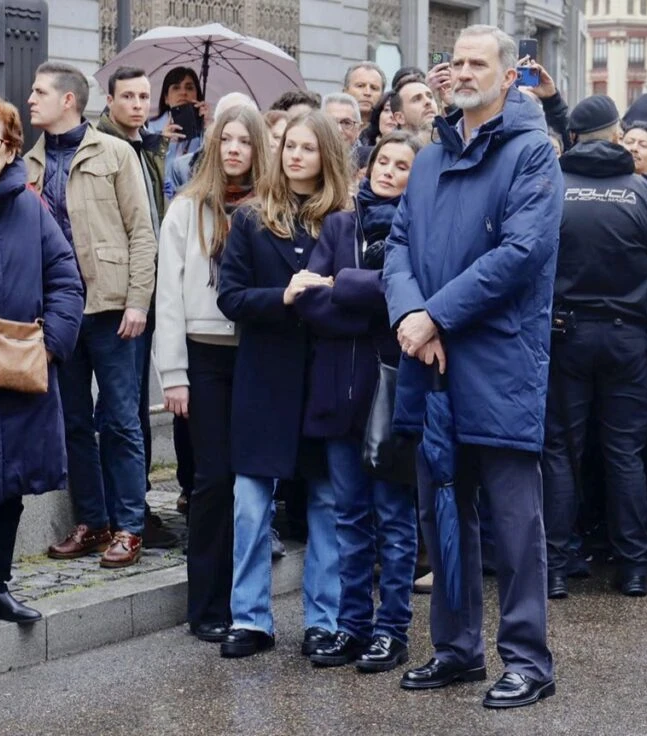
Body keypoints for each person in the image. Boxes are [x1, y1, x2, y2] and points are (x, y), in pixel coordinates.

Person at [384, 24, 562, 710]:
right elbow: (398, 246)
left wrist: (437, 316)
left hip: (499, 358)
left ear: (510, 72)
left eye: (476, 62)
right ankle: (457, 650)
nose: (461, 72)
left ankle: (528, 660)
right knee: (443, 514)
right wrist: (408, 317)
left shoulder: (532, 154)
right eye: (455, 62)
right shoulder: (429, 158)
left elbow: (521, 254)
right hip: (429, 360)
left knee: (515, 523)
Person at [542, 95, 647, 599]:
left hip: (564, 336)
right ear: (614, 135)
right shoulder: (644, 195)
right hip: (629, 338)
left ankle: (558, 566)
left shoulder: (552, 189)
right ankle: (632, 565)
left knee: (562, 451)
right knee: (625, 452)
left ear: (572, 138)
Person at [215, 111, 344, 659]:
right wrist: (284, 297)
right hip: (264, 377)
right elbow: (230, 298)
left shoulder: (343, 219)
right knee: (249, 503)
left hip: (323, 377)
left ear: (326, 157)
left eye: (308, 149)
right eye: (290, 146)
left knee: (325, 503)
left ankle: (324, 618)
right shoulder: (249, 219)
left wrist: (338, 290)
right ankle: (250, 619)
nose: (295, 156)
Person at [297, 131, 422, 672]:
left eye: (402, 165)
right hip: (339, 395)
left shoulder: (418, 232)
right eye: (382, 161)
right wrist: (360, 293)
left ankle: (392, 630)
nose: (389, 171)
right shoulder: (340, 225)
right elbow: (308, 303)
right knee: (349, 517)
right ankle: (352, 626)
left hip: (392, 395)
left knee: (394, 518)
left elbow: (405, 300)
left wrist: (341, 283)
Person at [26, 62, 157, 568]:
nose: (31, 98)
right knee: (74, 422)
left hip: (112, 310)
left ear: (68, 101)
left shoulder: (117, 153)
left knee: (122, 421)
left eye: (40, 92)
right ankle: (93, 522)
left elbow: (142, 233)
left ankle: (129, 527)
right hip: (58, 314)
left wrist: (137, 301)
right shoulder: (29, 165)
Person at [0, 94, 83, 622]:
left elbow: (66, 280)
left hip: (17, 373)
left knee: (8, 487)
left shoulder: (32, 208)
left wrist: (50, 345)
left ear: (12, 149)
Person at [155, 104, 270, 643]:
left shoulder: (269, 208)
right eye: (226, 139)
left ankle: (245, 604)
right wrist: (172, 373)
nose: (233, 149)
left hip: (256, 355)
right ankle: (205, 606)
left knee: (250, 482)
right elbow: (170, 297)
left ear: (256, 150)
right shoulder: (186, 209)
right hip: (203, 357)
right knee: (212, 480)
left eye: (245, 142)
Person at [97, 66, 180, 550]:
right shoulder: (107, 146)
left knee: (131, 407)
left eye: (144, 96)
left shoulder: (151, 147)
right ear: (109, 100)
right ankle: (125, 510)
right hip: (123, 293)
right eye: (127, 95)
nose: (137, 103)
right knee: (120, 407)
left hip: (152, 287)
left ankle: (135, 503)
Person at [147, 67, 210, 196]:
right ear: (166, 98)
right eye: (176, 88)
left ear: (197, 94)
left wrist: (208, 129)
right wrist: (162, 141)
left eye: (189, 88)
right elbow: (149, 172)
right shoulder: (151, 128)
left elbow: (210, 168)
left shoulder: (207, 130)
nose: (183, 93)